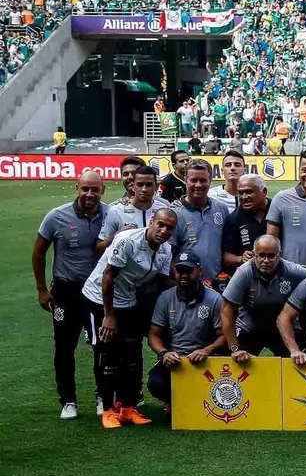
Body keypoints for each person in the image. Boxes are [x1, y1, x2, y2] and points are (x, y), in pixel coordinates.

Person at [81, 209, 176, 428]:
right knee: (107, 353)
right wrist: (109, 315)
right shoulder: (128, 240)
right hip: (99, 300)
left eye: (169, 228)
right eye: (160, 224)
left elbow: (161, 281)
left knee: (132, 355)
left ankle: (128, 408)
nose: (164, 231)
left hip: (128, 300)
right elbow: (108, 276)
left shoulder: (165, 250)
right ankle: (107, 409)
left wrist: (187, 285)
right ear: (151, 222)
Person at [33, 172, 108, 419]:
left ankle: (103, 397)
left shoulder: (111, 214)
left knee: (101, 345)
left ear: (103, 190)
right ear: (77, 188)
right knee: (65, 346)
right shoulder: (56, 216)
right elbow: (39, 252)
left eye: (94, 189)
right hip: (65, 291)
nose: (89, 194)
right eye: (85, 189)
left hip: (97, 291)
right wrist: (42, 289)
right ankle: (68, 401)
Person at [146, 252, 226, 409]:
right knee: (155, 383)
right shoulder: (165, 298)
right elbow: (153, 334)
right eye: (179, 270)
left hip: (205, 361)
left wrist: (207, 350)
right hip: (175, 361)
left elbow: (224, 336)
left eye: (188, 270)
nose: (183, 275)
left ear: (199, 271)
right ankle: (172, 402)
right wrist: (164, 353)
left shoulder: (215, 299)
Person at [222, 235, 306, 361]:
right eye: (261, 255)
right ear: (254, 254)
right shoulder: (244, 273)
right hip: (250, 327)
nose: (266, 260)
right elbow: (226, 310)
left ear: (279, 255)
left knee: (296, 361)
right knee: (240, 362)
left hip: (281, 328)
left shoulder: (291, 270)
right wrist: (234, 348)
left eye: (271, 256)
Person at [169, 159, 231, 283]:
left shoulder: (221, 209)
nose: (198, 185)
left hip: (217, 283)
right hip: (187, 285)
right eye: (193, 180)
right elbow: (167, 256)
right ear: (186, 180)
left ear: (210, 181)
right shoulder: (174, 214)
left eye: (203, 180)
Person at [97, 166, 171, 253]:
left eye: (148, 185)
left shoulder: (164, 210)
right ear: (133, 186)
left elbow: (171, 245)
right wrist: (116, 237)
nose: (144, 189)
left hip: (156, 266)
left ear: (156, 186)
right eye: (140, 184)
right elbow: (98, 249)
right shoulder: (116, 211)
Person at [221, 174, 271, 275]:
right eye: (240, 193)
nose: (244, 197)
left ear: (264, 192)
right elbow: (225, 257)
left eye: (249, 192)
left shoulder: (277, 210)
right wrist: (240, 258)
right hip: (249, 276)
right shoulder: (233, 219)